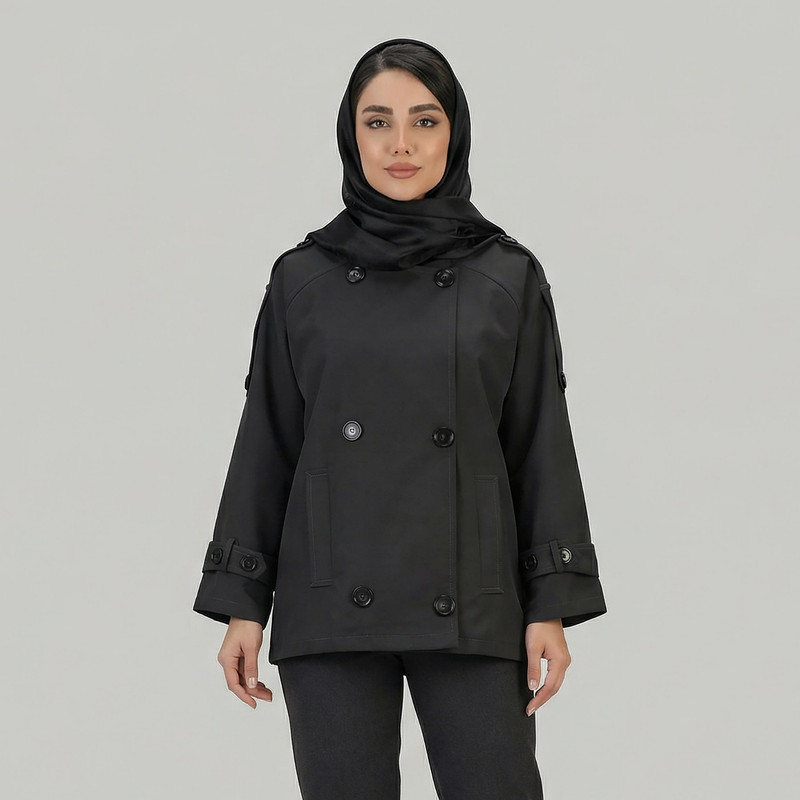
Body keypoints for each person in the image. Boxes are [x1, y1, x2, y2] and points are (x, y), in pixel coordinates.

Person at [192, 37, 607, 800]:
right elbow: (269, 441)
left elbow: (539, 442)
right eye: (378, 121)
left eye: (424, 120)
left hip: (474, 600)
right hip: (329, 600)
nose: (401, 144)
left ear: (455, 132)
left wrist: (551, 601)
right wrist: (241, 602)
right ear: (351, 135)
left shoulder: (507, 275)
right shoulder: (301, 278)